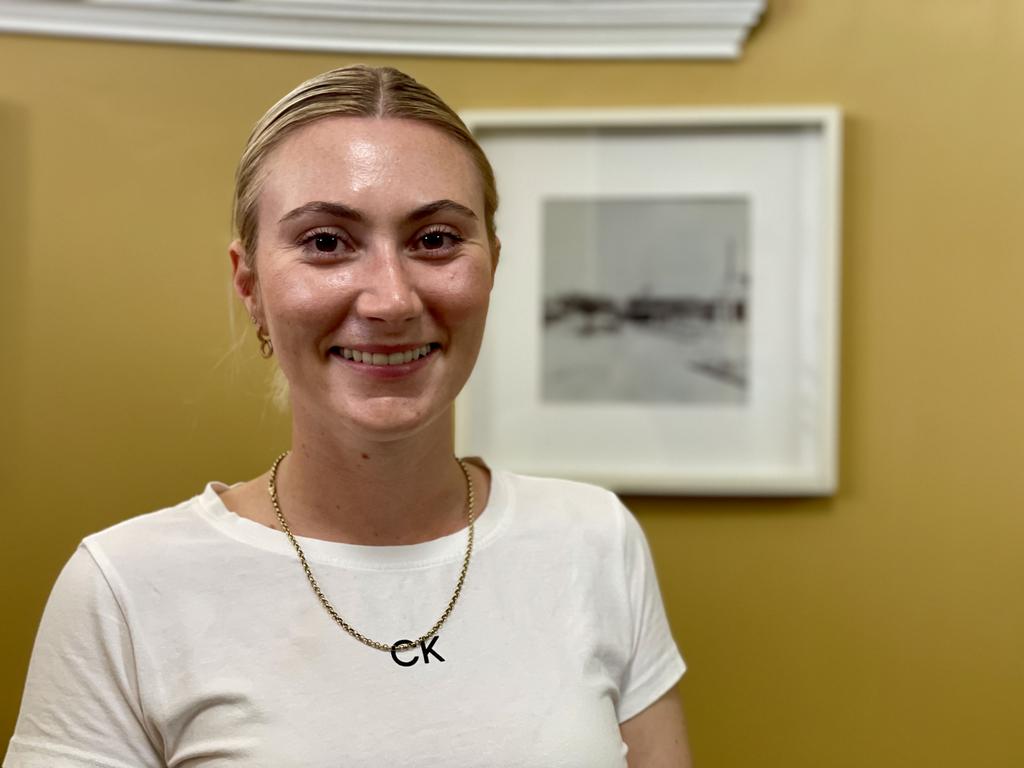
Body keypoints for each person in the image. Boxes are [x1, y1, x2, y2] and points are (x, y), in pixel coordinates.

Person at [4, 65, 692, 767]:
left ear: (492, 268)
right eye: (327, 242)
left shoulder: (595, 541)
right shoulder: (125, 589)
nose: (391, 301)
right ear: (250, 285)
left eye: (435, 240)